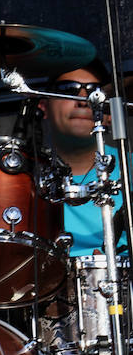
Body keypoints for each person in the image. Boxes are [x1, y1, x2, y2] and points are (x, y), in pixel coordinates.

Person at [39, 59, 127, 256]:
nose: (83, 99)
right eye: (68, 89)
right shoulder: (21, 178)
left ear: (110, 114)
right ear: (44, 106)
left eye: (95, 91)